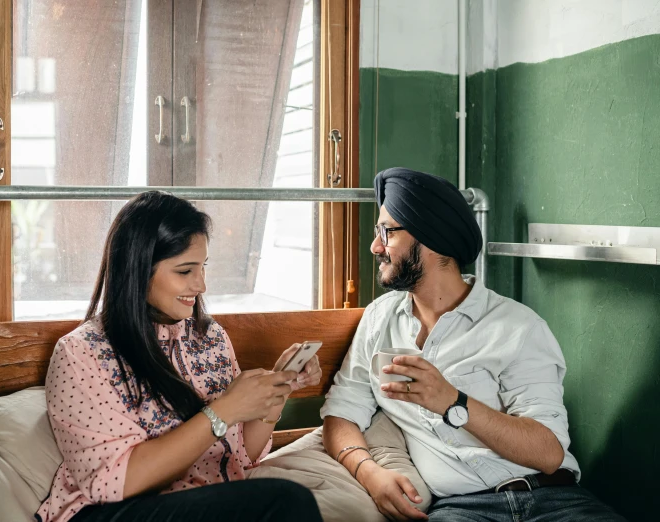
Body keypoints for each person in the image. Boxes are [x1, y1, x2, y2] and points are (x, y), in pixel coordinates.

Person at [319, 168, 626, 521]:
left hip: (554, 499)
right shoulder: (378, 322)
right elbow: (341, 413)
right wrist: (369, 473)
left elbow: (548, 452)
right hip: (460, 510)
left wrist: (452, 401)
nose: (376, 246)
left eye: (387, 232)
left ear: (431, 239)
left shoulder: (518, 327)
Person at [35, 191, 324, 522]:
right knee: (285, 500)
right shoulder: (81, 353)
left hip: (202, 501)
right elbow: (116, 481)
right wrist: (223, 411)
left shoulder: (210, 337)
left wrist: (275, 391)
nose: (200, 285)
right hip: (111, 511)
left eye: (203, 268)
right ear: (138, 269)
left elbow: (240, 456)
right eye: (185, 271)